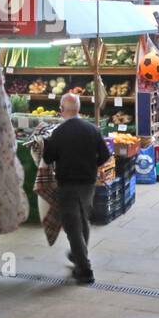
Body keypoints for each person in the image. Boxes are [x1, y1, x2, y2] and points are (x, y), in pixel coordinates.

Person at [41, 93, 110, 285]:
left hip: (67, 185)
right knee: (83, 220)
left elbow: (47, 159)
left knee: (72, 227)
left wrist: (46, 144)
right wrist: (91, 166)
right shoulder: (92, 129)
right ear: (79, 109)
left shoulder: (59, 132)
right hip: (88, 184)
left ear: (62, 110)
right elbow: (105, 155)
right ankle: (80, 255)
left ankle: (84, 269)